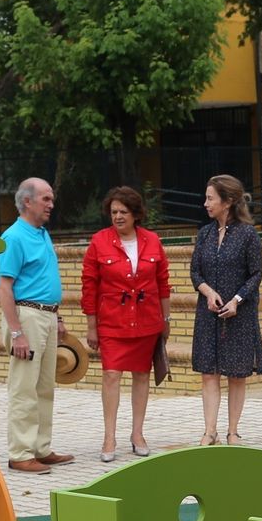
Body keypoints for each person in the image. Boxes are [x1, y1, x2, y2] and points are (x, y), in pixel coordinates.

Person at [82, 186, 171, 462]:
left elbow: (163, 283)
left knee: (142, 375)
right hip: (112, 322)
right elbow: (89, 286)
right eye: (113, 212)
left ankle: (137, 433)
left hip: (146, 321)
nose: (118, 217)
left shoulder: (153, 241)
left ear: (135, 214)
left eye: (123, 212)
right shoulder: (99, 241)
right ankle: (109, 436)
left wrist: (165, 320)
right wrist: (91, 326)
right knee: (111, 374)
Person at [0, 177, 73, 474]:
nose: (51, 205)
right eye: (46, 199)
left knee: (43, 387)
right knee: (23, 388)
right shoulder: (14, 237)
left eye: (51, 199)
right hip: (26, 318)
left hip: (46, 316)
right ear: (27, 201)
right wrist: (17, 332)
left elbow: (44, 279)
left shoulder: (41, 234)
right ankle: (20, 453)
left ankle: (40, 448)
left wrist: (58, 316)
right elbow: (4, 288)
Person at [190, 174, 262, 445]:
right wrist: (208, 292)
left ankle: (233, 430)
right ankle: (210, 431)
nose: (205, 203)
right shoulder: (205, 234)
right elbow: (195, 272)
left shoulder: (248, 234)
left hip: (239, 315)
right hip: (208, 314)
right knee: (209, 373)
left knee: (236, 374)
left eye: (210, 198)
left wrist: (237, 300)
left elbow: (256, 274)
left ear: (228, 201)